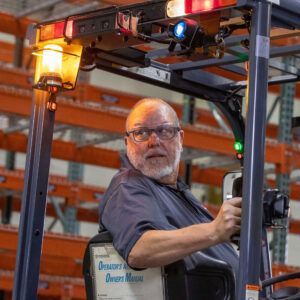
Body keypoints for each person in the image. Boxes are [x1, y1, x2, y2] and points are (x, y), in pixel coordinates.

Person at [98, 98, 241, 275]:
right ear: (127, 143)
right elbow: (139, 248)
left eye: (164, 131)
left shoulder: (175, 191)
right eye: (141, 133)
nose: (153, 141)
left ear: (180, 140)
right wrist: (214, 230)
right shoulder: (129, 186)